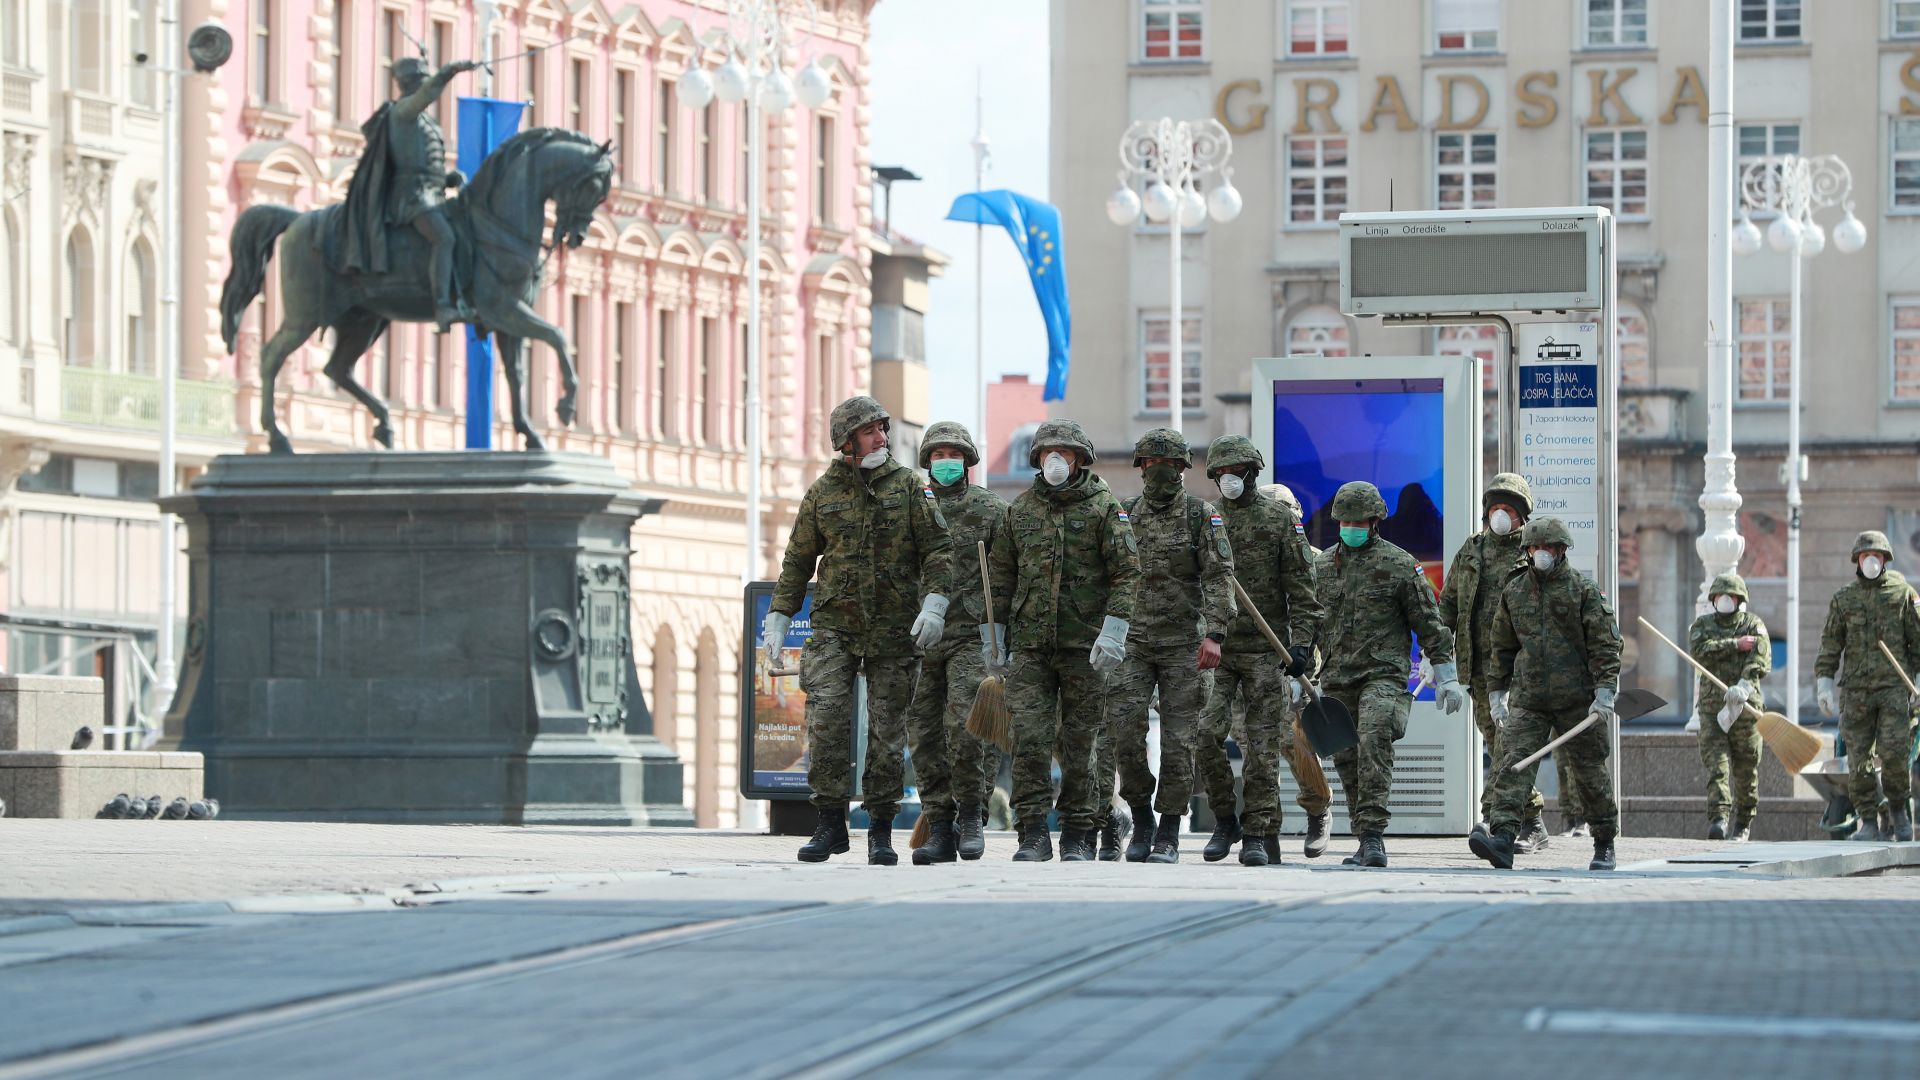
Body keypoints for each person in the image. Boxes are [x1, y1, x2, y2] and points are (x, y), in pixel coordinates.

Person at [764, 397, 952, 865]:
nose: (881, 438)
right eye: (870, 432)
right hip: (834, 627)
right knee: (826, 723)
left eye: (882, 430)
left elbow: (939, 550)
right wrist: (778, 617)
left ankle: (881, 830)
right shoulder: (822, 494)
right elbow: (797, 563)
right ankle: (829, 824)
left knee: (887, 732)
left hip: (894, 628)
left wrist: (934, 604)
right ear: (846, 441)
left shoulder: (911, 487)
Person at [987, 420, 1141, 862]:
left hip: (1087, 647)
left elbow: (1126, 572)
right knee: (1029, 740)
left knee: (1081, 745)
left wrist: (1115, 630)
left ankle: (1078, 831)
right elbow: (1000, 576)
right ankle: (1032, 832)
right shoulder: (1021, 510)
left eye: (1065, 452)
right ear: (1036, 458)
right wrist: (993, 637)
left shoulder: (1104, 507)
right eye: (1047, 452)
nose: (1055, 459)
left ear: (1080, 458)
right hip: (1031, 647)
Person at [1094, 429, 1235, 864]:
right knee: (1124, 733)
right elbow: (1107, 575)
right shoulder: (1124, 514)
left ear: (1182, 469)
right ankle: (1140, 818)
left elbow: (1218, 576)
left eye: (1170, 464)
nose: (1161, 471)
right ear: (1140, 468)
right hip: (1131, 642)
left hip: (1184, 645)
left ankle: (1170, 830)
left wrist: (1215, 634)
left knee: (1180, 740)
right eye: (1153, 464)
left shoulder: (1200, 515)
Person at [1188, 445, 1325, 865]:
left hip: (1267, 651)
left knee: (1264, 747)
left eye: (1236, 470)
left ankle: (1258, 833)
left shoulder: (1279, 521)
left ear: (1251, 472)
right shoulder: (1205, 518)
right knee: (1205, 734)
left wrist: (1301, 646)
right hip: (1218, 649)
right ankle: (1225, 819)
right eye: (1221, 471)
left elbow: (1303, 592)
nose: (1228, 477)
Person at [1318, 481, 1465, 868]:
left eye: (1358, 520)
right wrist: (1294, 667)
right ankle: (1361, 835)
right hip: (1335, 677)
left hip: (1383, 674)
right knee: (1347, 758)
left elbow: (1430, 623)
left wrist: (1447, 675)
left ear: (1374, 521)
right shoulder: (1321, 567)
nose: (1350, 526)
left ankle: (1373, 837)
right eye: (1344, 520)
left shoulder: (1401, 565)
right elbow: (1305, 621)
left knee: (1374, 738)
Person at [1471, 517, 1623, 872]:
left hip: (1578, 701)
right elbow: (1502, 648)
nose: (1540, 553)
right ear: (1527, 551)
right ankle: (1503, 839)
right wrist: (1497, 693)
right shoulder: (1515, 592)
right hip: (1530, 699)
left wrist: (1604, 691)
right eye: (1534, 548)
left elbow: (1605, 646)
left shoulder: (1583, 591)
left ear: (1561, 550)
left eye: (1547, 548)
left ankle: (1604, 842)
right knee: (1512, 765)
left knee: (1589, 773)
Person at [906, 422, 1007, 864]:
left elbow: (1008, 574)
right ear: (927, 461)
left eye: (954, 454)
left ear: (967, 460)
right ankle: (939, 826)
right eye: (938, 454)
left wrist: (1000, 630)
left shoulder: (990, 510)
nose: (946, 461)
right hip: (918, 638)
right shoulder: (910, 506)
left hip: (970, 635)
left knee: (964, 727)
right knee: (924, 736)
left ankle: (971, 815)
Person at [1435, 473, 1549, 849]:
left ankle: (1495, 820)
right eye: (1495, 508)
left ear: (1522, 515)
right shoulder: (1472, 550)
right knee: (1497, 741)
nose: (1500, 515)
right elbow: (1449, 603)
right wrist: (1435, 652)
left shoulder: (1534, 553)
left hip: (1520, 670)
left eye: (1508, 509)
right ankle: (1531, 821)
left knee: (1508, 744)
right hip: (1479, 668)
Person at [337, 57, 482, 332]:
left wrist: (448, 178)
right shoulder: (404, 111)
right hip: (411, 196)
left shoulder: (423, 119)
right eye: (422, 80)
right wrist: (451, 70)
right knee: (444, 237)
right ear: (411, 83)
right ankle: (442, 305)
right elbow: (413, 166)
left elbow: (423, 161)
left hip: (431, 192)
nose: (426, 85)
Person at [1814, 530, 1920, 842]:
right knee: (1858, 761)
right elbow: (1831, 643)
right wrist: (1824, 681)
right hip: (1856, 692)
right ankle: (1869, 820)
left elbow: (1918, 642)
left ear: (1885, 559)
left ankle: (1898, 812)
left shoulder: (1902, 594)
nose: (1871, 561)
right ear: (1857, 560)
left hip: (1893, 691)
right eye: (1865, 556)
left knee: (1895, 755)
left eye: (1876, 556)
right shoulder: (1844, 598)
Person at [1688, 572, 1771, 842]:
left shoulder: (1753, 625)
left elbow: (1760, 661)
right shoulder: (1702, 625)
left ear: (1740, 599)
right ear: (1713, 599)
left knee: (1746, 768)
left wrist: (1745, 686)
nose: (1726, 599)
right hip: (1713, 708)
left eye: (1731, 595)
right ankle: (1719, 819)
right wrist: (1735, 645)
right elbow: (1700, 650)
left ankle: (1744, 820)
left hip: (1745, 710)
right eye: (1721, 595)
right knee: (1717, 766)